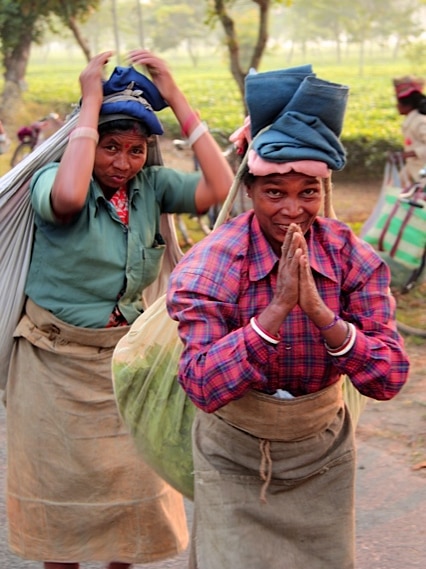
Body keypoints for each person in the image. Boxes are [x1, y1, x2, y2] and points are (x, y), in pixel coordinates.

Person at [166, 65, 410, 569]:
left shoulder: (351, 260)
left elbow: (388, 378)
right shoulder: (214, 263)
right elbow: (202, 386)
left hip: (321, 454)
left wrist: (324, 317)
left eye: (308, 192)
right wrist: (273, 314)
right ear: (250, 192)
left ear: (324, 193)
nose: (293, 209)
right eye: (275, 192)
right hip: (232, 453)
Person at [5, 49, 233, 569]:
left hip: (124, 368)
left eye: (135, 150)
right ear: (86, 141)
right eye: (110, 146)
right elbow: (66, 196)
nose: (122, 162)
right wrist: (90, 101)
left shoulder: (150, 188)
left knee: (130, 507)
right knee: (62, 518)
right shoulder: (57, 181)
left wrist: (177, 97)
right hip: (53, 368)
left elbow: (221, 190)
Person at [393, 75, 426, 186]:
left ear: (407, 106)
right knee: (395, 188)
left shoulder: (420, 121)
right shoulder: (412, 120)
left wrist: (407, 154)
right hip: (413, 167)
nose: (396, 106)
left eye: (398, 103)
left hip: (422, 169)